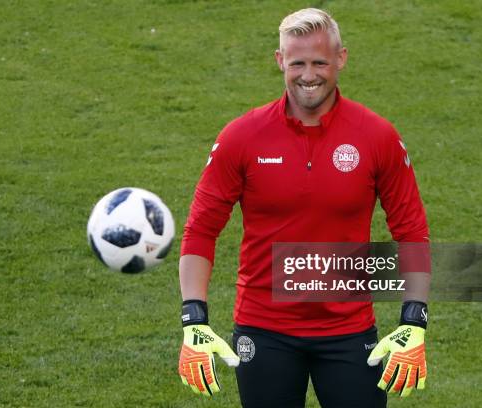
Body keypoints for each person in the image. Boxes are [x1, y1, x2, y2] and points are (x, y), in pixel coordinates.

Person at [177, 8, 430, 408]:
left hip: (350, 331)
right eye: (297, 63)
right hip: (264, 331)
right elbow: (201, 230)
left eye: (319, 63)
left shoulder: (376, 136)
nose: (308, 75)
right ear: (280, 61)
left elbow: (412, 231)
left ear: (341, 59)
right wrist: (194, 316)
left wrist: (414, 319)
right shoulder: (242, 137)